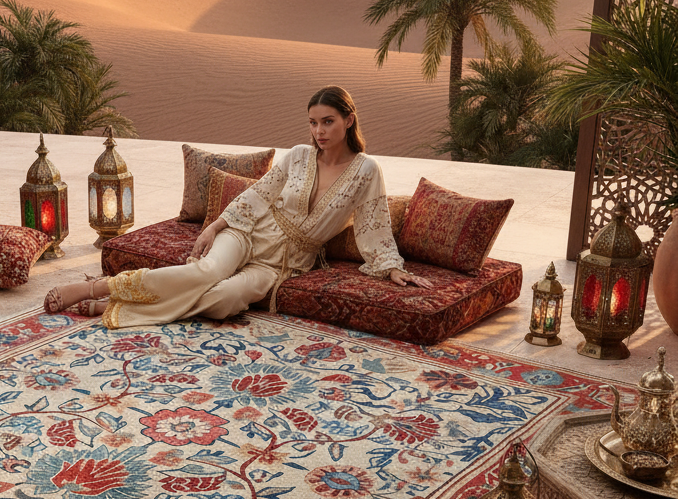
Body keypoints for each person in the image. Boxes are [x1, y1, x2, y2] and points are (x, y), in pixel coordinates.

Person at [44, 85, 432, 328]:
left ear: (349, 120)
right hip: (249, 233)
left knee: (223, 300)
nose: (319, 132)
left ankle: (118, 304)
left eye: (328, 122)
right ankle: (93, 289)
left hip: (285, 263)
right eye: (313, 123)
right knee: (206, 272)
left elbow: (373, 223)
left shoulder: (367, 171)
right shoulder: (299, 155)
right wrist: (215, 227)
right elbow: (258, 194)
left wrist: (390, 267)